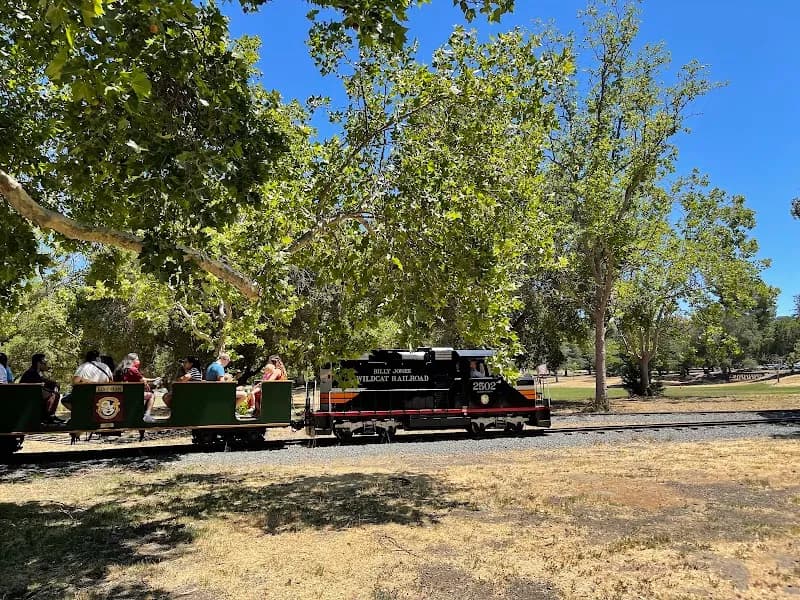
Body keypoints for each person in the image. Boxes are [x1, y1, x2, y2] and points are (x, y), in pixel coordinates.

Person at [19, 353, 64, 424]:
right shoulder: (31, 373)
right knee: (52, 395)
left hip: (34, 395)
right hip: (28, 398)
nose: (46, 364)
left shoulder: (38, 372)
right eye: (44, 362)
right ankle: (47, 417)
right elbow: (40, 385)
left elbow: (45, 381)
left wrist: (55, 384)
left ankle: (51, 416)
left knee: (55, 394)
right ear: (38, 363)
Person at [116, 353, 158, 423]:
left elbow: (142, 379)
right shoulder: (133, 370)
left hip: (124, 394)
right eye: (137, 359)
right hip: (133, 395)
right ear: (133, 360)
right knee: (151, 395)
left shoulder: (123, 369)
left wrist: (153, 379)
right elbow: (143, 380)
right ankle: (147, 415)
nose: (139, 361)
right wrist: (154, 380)